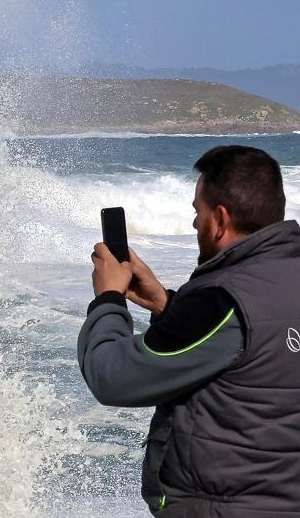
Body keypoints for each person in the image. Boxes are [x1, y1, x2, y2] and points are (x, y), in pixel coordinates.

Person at [78, 145, 300, 516]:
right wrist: (166, 304)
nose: (195, 224)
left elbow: (112, 376)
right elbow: (251, 349)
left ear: (220, 219)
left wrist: (109, 298)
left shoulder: (222, 302)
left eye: (197, 212)